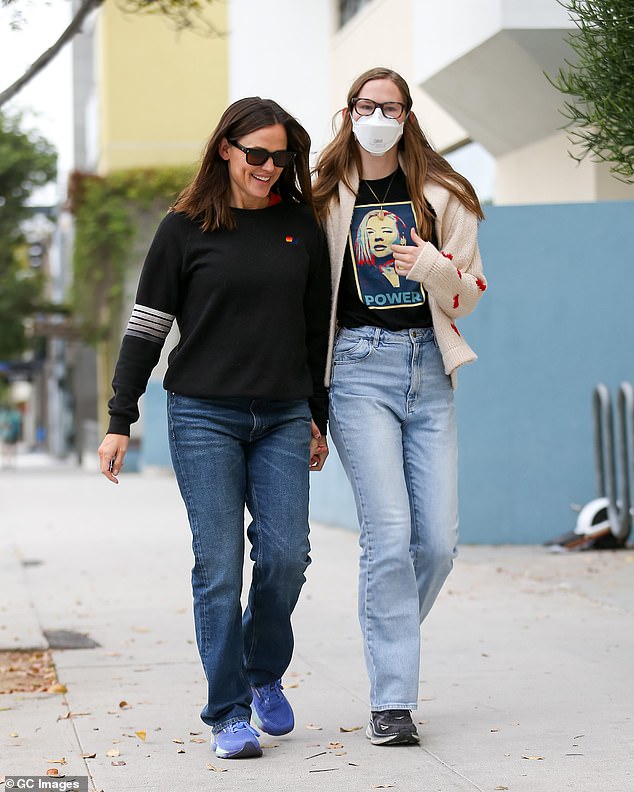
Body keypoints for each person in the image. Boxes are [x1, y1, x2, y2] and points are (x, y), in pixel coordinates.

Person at [98, 97, 331, 761]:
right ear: (225, 148)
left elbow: (317, 330)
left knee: (287, 556)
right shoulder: (184, 228)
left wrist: (319, 413)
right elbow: (146, 328)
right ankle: (227, 711)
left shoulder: (300, 225)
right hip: (204, 414)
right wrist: (121, 418)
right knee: (219, 566)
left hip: (284, 413)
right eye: (256, 153)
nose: (268, 166)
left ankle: (263, 673)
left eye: (280, 156)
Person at [313, 67, 487, 746]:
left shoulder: (444, 193)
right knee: (387, 537)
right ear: (349, 112)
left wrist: (429, 265)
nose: (377, 115)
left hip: (429, 367)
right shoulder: (323, 195)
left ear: (409, 115)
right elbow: (306, 300)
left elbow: (467, 295)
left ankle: (389, 641)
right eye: (365, 105)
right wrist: (310, 402)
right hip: (356, 369)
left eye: (390, 106)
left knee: (437, 544)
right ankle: (393, 702)